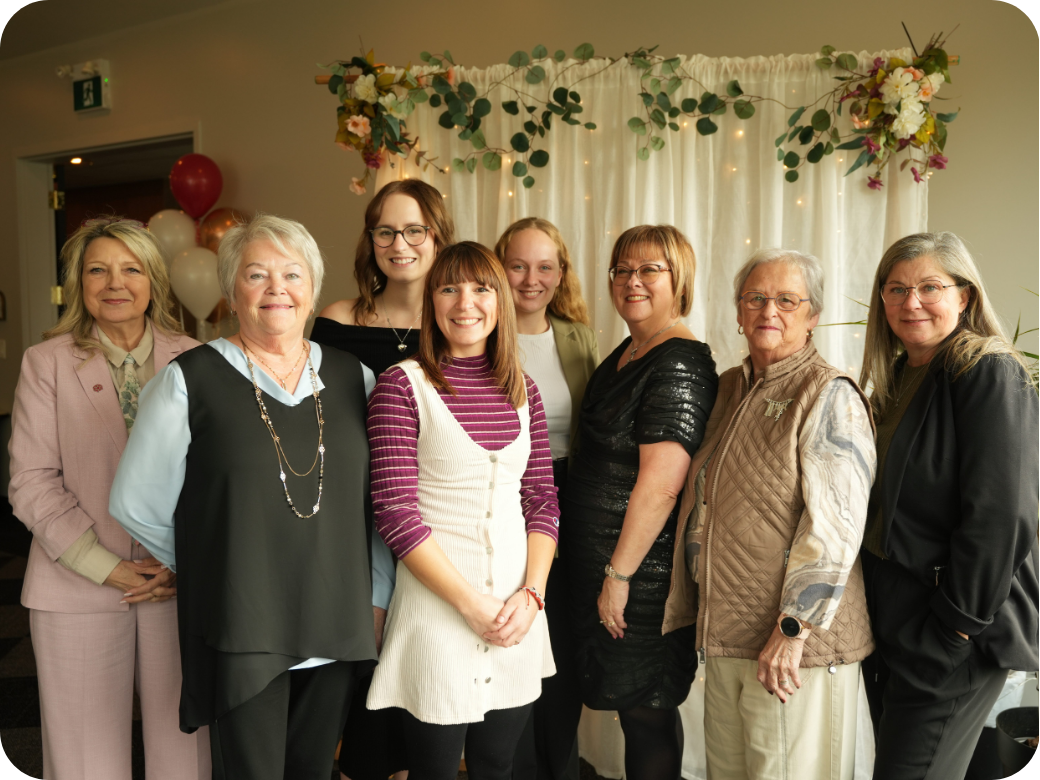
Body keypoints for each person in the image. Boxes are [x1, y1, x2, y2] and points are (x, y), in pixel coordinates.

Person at [108, 213, 395, 780]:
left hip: (339, 613)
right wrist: (210, 565)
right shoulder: (188, 379)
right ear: (230, 291)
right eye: (256, 275)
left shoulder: (356, 378)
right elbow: (135, 502)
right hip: (247, 618)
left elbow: (377, 504)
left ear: (312, 289)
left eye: (292, 274)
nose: (276, 289)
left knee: (313, 769)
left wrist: (379, 596)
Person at [662, 248, 876, 780]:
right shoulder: (732, 387)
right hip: (730, 637)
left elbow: (836, 526)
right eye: (755, 298)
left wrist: (792, 628)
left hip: (792, 648)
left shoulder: (828, 393)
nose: (768, 311)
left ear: (813, 315)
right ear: (737, 310)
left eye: (786, 299)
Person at [7, 217, 209, 779]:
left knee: (186, 750)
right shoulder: (44, 362)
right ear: (78, 283)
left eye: (130, 268)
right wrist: (109, 568)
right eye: (97, 269)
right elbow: (31, 480)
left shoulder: (197, 358)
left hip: (178, 586)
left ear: (153, 281)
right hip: (77, 583)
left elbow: (215, 478)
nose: (113, 282)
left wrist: (178, 563)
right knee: (84, 759)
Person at [366, 241, 560, 780]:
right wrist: (471, 606)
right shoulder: (401, 385)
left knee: (497, 764)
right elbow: (396, 513)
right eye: (448, 288)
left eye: (480, 288)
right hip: (437, 614)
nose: (465, 302)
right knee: (432, 769)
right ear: (431, 302)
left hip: (520, 613)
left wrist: (533, 595)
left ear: (499, 301)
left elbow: (542, 499)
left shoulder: (526, 390)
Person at [857, 232, 1039, 780]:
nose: (911, 302)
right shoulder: (896, 378)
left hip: (949, 625)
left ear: (965, 296)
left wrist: (955, 629)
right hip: (893, 618)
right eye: (896, 289)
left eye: (929, 287)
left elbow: (1002, 516)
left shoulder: (986, 371)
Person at [311, 178, 455, 780]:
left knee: (423, 659)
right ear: (370, 240)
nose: (400, 244)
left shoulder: (462, 318)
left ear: (438, 235)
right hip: (351, 515)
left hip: (436, 515)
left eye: (415, 229)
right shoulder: (336, 320)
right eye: (386, 231)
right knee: (360, 666)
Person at [566, 225, 717, 780]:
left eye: (650, 269)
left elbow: (662, 483)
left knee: (646, 711)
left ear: (678, 280)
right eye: (623, 270)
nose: (633, 281)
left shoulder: (677, 360)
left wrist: (619, 575)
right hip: (606, 566)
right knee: (634, 711)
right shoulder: (630, 351)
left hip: (642, 577)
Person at [493, 217, 600, 780]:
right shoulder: (477, 330)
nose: (531, 279)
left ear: (561, 274)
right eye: (517, 265)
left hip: (565, 502)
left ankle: (558, 769)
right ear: (498, 266)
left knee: (560, 644)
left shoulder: (578, 336)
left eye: (545, 267)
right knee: (510, 637)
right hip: (500, 503)